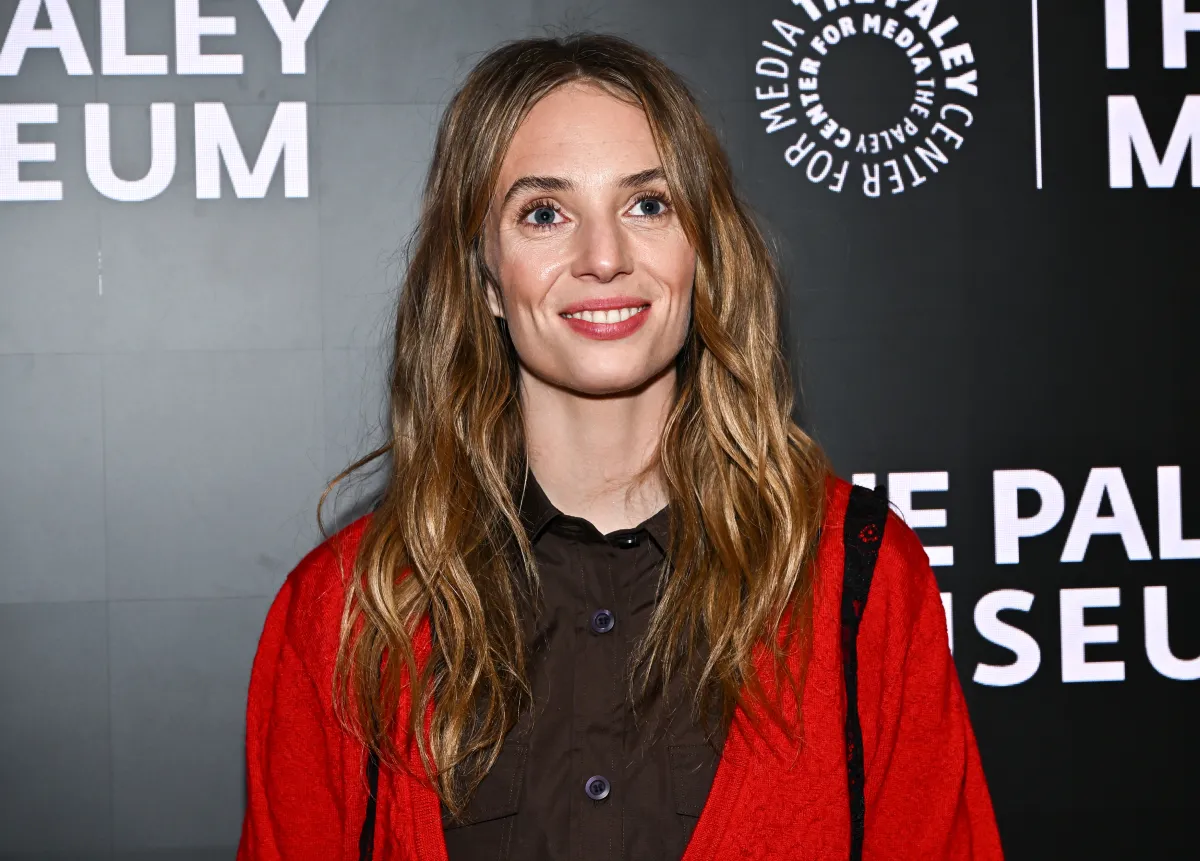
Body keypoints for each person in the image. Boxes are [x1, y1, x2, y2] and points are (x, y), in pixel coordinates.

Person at [236, 33, 1004, 861]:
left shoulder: (859, 580)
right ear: (486, 276)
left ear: (700, 248)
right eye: (544, 213)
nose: (604, 258)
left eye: (648, 205)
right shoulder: (347, 614)